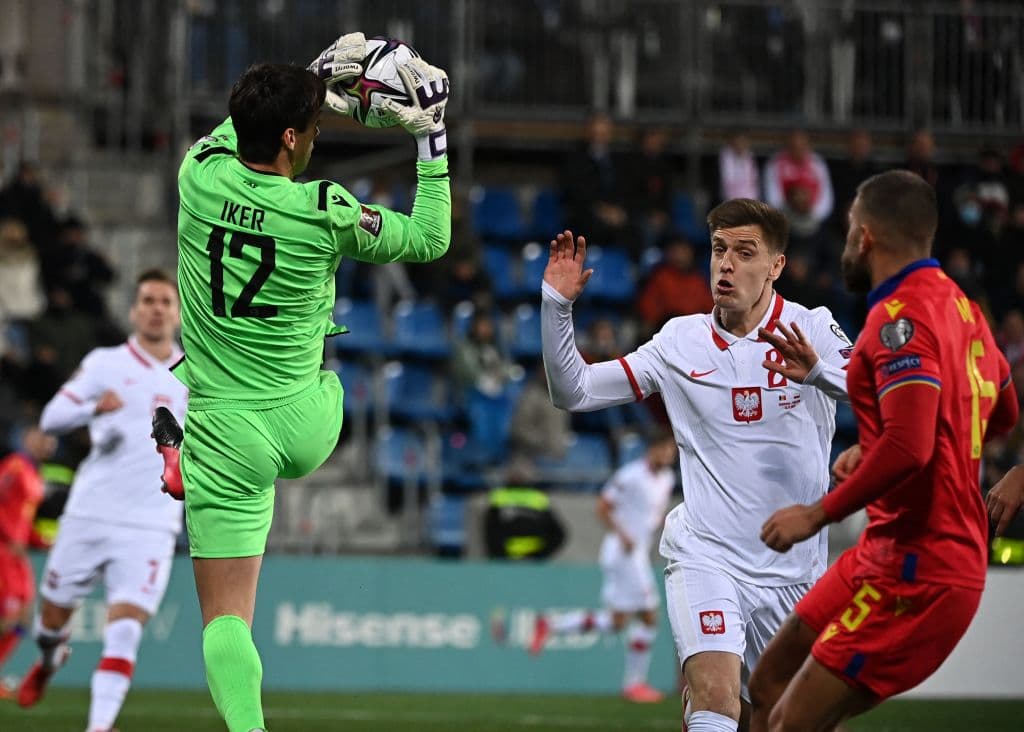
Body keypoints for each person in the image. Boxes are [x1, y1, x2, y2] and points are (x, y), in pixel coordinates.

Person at [151, 33, 451, 732]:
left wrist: (306, 79)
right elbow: (430, 239)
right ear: (291, 139)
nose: (318, 137)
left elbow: (233, 130)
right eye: (313, 127)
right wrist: (431, 140)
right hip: (308, 421)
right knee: (335, 361)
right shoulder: (325, 209)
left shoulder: (196, 173)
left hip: (226, 429)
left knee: (225, 621)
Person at [540, 197, 853, 732]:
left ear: (776, 266)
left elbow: (879, 390)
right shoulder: (677, 341)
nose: (726, 264)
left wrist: (819, 372)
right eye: (719, 250)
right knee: (715, 697)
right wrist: (555, 306)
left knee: (783, 720)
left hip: (795, 574)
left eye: (744, 252)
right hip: (707, 555)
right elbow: (574, 392)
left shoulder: (813, 329)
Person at [750, 170, 1019, 732]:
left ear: (866, 237)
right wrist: (879, 447)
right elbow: (1001, 416)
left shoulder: (899, 319)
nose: (846, 238)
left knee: (791, 723)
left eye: (849, 227)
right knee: (767, 683)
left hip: (922, 564)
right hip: (886, 550)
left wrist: (817, 513)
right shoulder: (966, 312)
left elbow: (912, 446)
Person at [15, 270, 187, 732]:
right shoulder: (105, 363)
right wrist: (94, 408)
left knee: (126, 626)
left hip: (152, 522)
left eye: (164, 301)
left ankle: (100, 726)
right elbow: (50, 418)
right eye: (147, 300)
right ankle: (50, 660)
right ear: (133, 311)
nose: (155, 308)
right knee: (50, 620)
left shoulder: (197, 375)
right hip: (91, 513)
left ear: (177, 312)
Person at [529, 431, 678, 703]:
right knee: (649, 615)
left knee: (616, 622)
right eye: (662, 449)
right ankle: (634, 684)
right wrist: (621, 533)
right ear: (651, 449)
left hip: (638, 552)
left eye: (671, 450)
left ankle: (550, 625)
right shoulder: (631, 475)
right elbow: (603, 505)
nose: (667, 454)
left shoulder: (667, 478)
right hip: (623, 553)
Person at [0, 425, 56, 696]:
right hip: (4, 551)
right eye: (40, 437)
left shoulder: (34, 472)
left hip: (17, 553)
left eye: (49, 439)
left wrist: (41, 541)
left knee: (23, 618)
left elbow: (23, 519)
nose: (46, 443)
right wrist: (10, 537)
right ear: (26, 438)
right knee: (10, 617)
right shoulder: (14, 466)